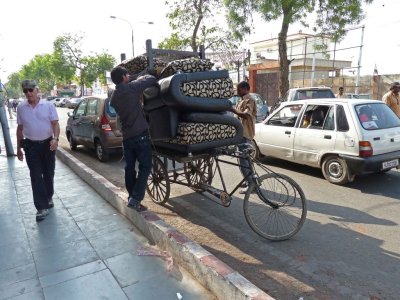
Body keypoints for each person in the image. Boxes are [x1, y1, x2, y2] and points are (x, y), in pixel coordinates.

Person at [110, 66, 157, 212]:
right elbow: (152, 79)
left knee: (129, 169)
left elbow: (114, 104)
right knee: (146, 167)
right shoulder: (132, 88)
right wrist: (145, 75)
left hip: (127, 138)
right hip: (141, 135)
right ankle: (136, 198)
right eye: (127, 75)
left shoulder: (114, 97)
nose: (129, 76)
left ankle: (132, 198)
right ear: (124, 77)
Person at [16, 80, 60, 221]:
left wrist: (56, 139)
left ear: (37, 90)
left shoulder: (48, 105)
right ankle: (41, 207)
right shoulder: (21, 108)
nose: (28, 93)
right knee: (35, 175)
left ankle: (48, 197)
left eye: (30, 90)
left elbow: (55, 124)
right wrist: (18, 148)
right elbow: (20, 129)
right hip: (31, 147)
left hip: (48, 145)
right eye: (25, 91)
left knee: (48, 174)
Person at [229, 81, 257, 194]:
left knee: (243, 161)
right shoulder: (242, 100)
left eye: (239, 89)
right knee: (245, 161)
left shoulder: (249, 100)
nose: (237, 91)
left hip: (245, 135)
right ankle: (249, 181)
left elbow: (245, 115)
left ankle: (251, 185)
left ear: (245, 88)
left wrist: (232, 110)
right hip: (240, 134)